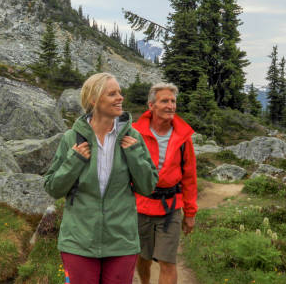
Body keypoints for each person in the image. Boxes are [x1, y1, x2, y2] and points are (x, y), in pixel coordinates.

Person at [44, 72, 158, 284]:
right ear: (93, 100)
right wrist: (74, 160)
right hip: (78, 242)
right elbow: (53, 187)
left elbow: (148, 186)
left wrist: (135, 156)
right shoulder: (71, 139)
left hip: (121, 241)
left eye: (120, 93)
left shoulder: (133, 138)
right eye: (112, 93)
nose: (120, 98)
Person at [133, 82, 198, 284]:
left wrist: (190, 213)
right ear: (151, 106)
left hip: (170, 208)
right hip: (140, 207)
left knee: (167, 262)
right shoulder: (135, 133)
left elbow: (189, 177)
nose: (170, 105)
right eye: (164, 101)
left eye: (173, 101)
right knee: (142, 258)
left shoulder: (183, 137)